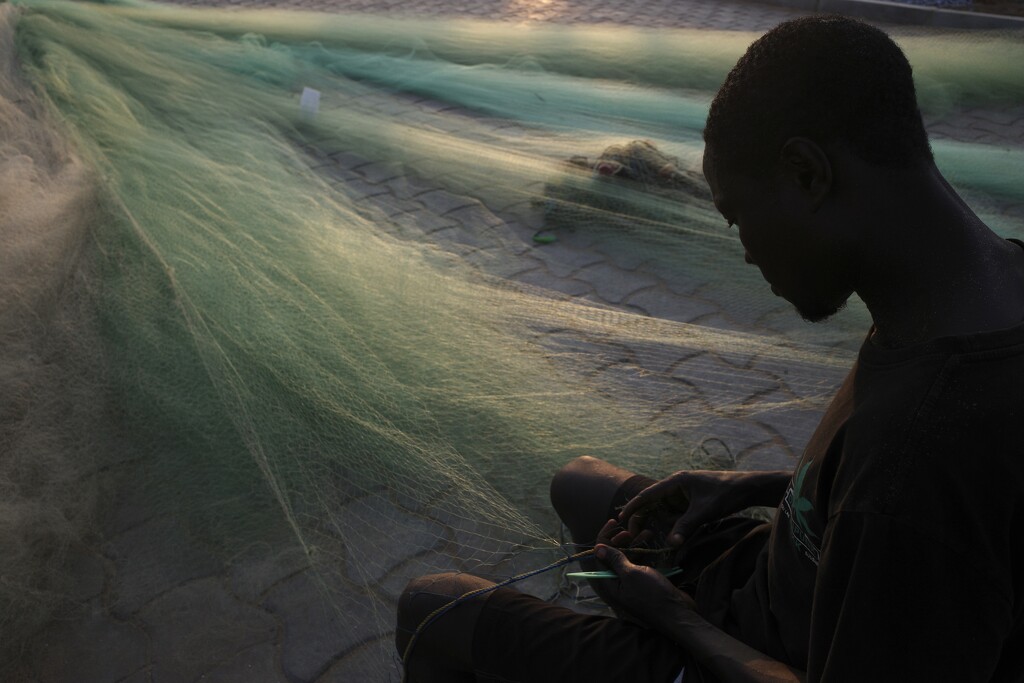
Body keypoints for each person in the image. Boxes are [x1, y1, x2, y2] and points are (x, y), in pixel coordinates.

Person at [395, 15, 1024, 682]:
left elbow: (895, 518)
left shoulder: (921, 456)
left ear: (807, 173)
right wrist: (747, 485)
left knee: (432, 608)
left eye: (738, 217)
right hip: (791, 579)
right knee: (578, 484)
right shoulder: (966, 290)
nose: (746, 251)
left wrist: (674, 616)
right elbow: (884, 525)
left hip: (768, 653)